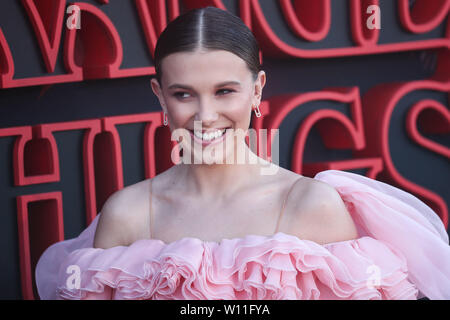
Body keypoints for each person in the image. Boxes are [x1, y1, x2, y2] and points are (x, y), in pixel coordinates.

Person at [35, 6, 450, 300]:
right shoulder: (126, 213)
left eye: (225, 91)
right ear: (160, 97)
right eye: (183, 94)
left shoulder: (310, 205)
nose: (206, 115)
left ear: (257, 89)